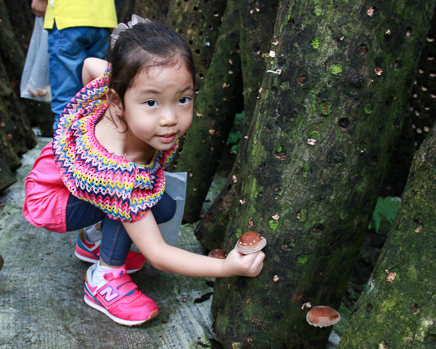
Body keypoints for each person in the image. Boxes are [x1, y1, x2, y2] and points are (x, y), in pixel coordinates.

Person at [23, 19, 265, 326]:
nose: (169, 118)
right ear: (117, 101)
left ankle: (94, 239)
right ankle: (103, 278)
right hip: (50, 198)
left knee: (161, 205)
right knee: (133, 208)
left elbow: (89, 65)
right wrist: (228, 268)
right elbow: (159, 254)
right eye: (151, 102)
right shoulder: (121, 177)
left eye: (183, 99)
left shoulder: (121, 86)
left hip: (65, 176)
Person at [30, 0, 117, 133]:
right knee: (94, 99)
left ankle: (63, 151)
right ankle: (89, 150)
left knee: (66, 103)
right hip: (102, 18)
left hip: (68, 16)